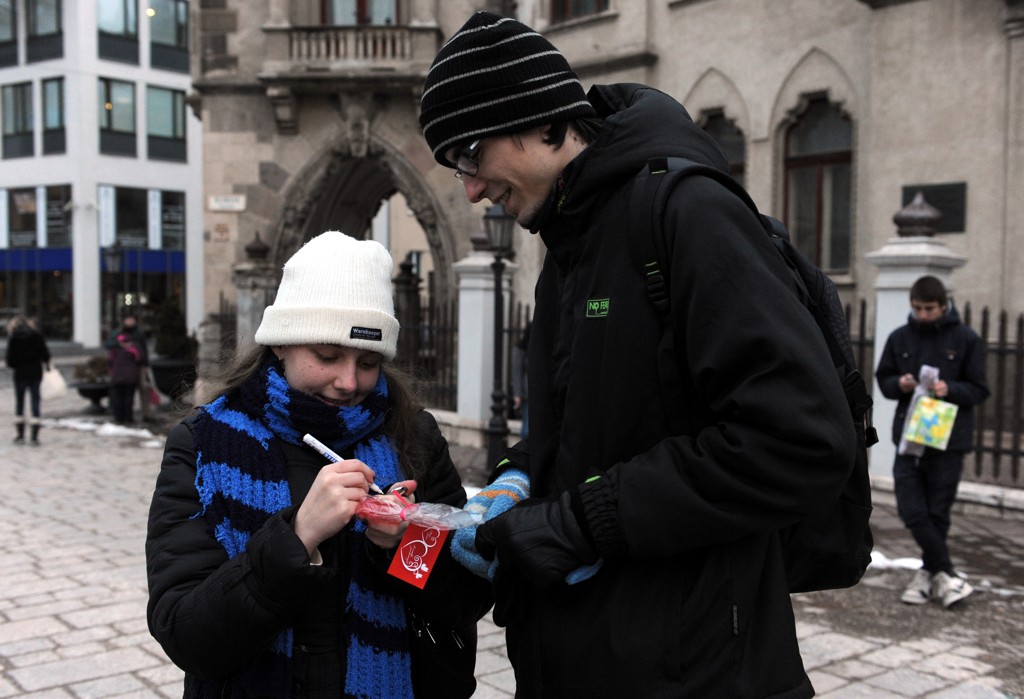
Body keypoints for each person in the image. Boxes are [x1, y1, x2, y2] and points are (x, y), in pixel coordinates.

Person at [419, 12, 857, 698]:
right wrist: (515, 477)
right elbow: (588, 430)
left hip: (697, 669)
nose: (471, 188)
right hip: (579, 657)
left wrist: (583, 523)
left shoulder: (687, 214)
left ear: (542, 120)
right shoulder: (567, 249)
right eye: (455, 168)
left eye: (471, 155)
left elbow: (798, 437)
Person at [146, 231, 491, 698]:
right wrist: (298, 536)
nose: (348, 381)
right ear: (282, 344)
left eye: (368, 361)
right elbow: (187, 634)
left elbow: (467, 597)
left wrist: (404, 546)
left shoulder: (414, 437)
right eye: (327, 356)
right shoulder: (203, 443)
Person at [875, 275, 989, 609]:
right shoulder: (900, 337)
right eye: (917, 308)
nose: (923, 314)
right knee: (911, 509)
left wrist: (948, 389)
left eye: (929, 308)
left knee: (938, 513)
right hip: (909, 438)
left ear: (943, 305)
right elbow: (884, 380)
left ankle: (928, 575)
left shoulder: (966, 339)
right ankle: (948, 574)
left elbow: (980, 389)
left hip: (947, 441)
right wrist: (902, 384)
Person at [5, 315, 51, 445]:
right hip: (35, 372)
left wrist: (19, 364)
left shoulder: (14, 338)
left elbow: (10, 361)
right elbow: (45, 355)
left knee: (20, 403)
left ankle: (20, 435)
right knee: (35, 402)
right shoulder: (37, 336)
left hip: (20, 374)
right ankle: (34, 436)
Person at [106, 311, 152, 421]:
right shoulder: (116, 334)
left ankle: (145, 414)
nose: (130, 321)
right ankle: (120, 415)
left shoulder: (138, 334)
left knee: (141, 390)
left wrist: (145, 364)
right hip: (121, 369)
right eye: (128, 319)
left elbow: (143, 351)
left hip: (134, 368)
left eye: (132, 319)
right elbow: (109, 346)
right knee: (121, 394)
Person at [107, 332, 141, 424]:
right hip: (127, 379)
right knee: (125, 399)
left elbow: (110, 363)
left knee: (123, 399)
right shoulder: (133, 351)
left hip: (121, 379)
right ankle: (126, 418)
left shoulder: (114, 351)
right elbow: (138, 360)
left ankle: (121, 418)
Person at [510, 321, 530, 439]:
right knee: (527, 428)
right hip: (526, 393)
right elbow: (517, 372)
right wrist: (517, 394)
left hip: (538, 392)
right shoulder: (520, 349)